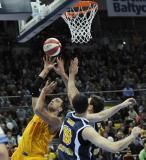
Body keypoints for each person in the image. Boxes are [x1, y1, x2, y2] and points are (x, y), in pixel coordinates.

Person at [57, 59, 141, 160]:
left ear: (90, 107)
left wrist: (71, 74)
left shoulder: (71, 115)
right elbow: (102, 116)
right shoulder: (87, 124)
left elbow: (71, 91)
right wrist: (132, 135)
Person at [11, 56, 63, 160]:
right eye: (53, 99)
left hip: (35, 157)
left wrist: (43, 92)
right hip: (19, 155)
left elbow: (38, 110)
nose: (53, 100)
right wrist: (45, 70)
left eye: (57, 101)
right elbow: (34, 89)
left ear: (60, 109)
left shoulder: (57, 122)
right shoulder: (40, 114)